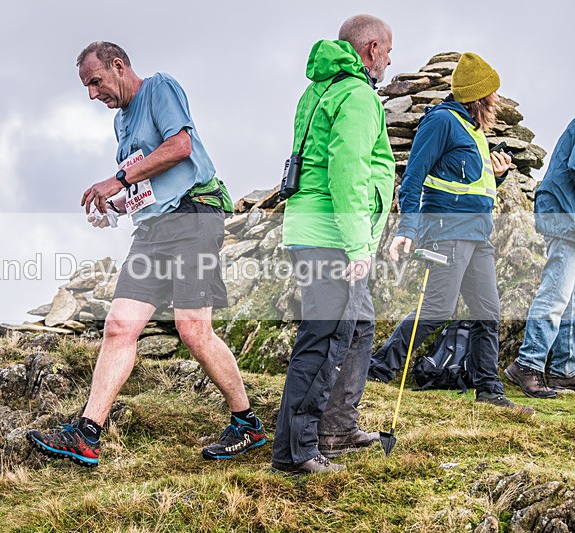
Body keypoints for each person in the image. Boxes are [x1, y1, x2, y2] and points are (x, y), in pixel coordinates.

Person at [27, 42, 265, 467]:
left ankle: (247, 424)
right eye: (86, 87)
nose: (92, 94)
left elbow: (179, 147)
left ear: (119, 66)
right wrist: (119, 206)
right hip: (153, 228)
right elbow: (149, 180)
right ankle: (87, 435)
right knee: (119, 326)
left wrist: (117, 180)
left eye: (96, 82)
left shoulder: (159, 88)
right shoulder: (120, 121)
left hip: (194, 212)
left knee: (193, 329)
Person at [367, 53, 532, 414]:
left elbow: (471, 188)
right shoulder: (441, 121)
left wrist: (499, 175)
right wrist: (408, 227)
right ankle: (377, 370)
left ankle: (488, 389)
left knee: (488, 312)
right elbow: (413, 177)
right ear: (479, 96)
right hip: (446, 232)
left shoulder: (473, 131)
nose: (497, 98)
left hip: (477, 236)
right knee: (437, 309)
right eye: (492, 92)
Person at [271, 14, 395, 476]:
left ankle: (337, 427)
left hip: (312, 229)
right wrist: (358, 246)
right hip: (333, 236)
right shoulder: (358, 95)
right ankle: (296, 452)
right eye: (388, 51)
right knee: (322, 341)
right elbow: (348, 172)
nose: (389, 60)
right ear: (372, 49)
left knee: (358, 326)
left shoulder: (320, 90)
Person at [504, 119, 575, 398]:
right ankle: (527, 364)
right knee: (556, 293)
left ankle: (563, 371)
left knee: (569, 299)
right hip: (563, 213)